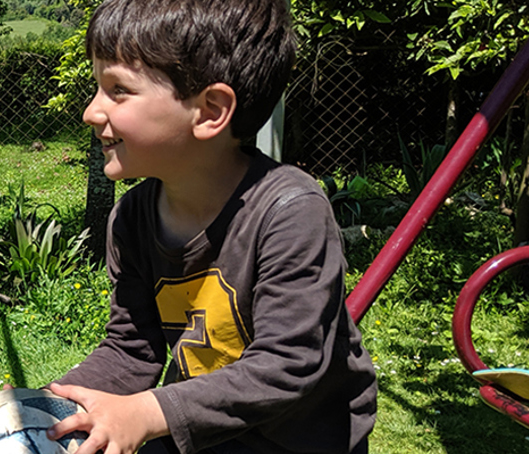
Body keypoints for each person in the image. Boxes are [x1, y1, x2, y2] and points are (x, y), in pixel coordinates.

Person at [42, 1, 377, 453]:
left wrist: (146, 413)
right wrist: (47, 406)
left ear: (210, 111)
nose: (90, 111)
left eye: (117, 90)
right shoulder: (132, 218)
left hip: (298, 441)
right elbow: (131, 349)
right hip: (199, 432)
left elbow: (286, 365)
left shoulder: (289, 210)